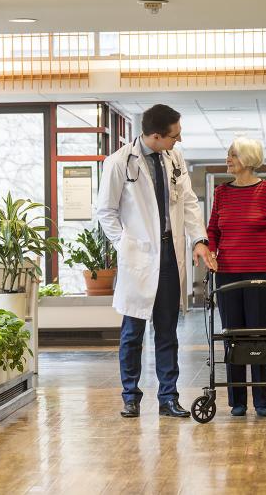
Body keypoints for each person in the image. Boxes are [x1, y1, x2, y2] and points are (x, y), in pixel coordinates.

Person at [96, 104, 217, 419]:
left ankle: (168, 397)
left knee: (167, 330)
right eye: (174, 135)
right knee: (133, 331)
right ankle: (130, 396)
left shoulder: (174, 158)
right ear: (155, 136)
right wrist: (123, 244)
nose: (179, 139)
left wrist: (199, 240)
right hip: (139, 256)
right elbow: (105, 211)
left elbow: (188, 202)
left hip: (169, 252)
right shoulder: (119, 163)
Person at [206, 137, 266, 417]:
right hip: (226, 274)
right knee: (232, 335)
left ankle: (261, 399)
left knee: (259, 335)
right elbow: (213, 229)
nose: (228, 159)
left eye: (232, 155)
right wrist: (211, 252)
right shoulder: (222, 192)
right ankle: (237, 400)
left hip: (260, 272)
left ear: (246, 159)